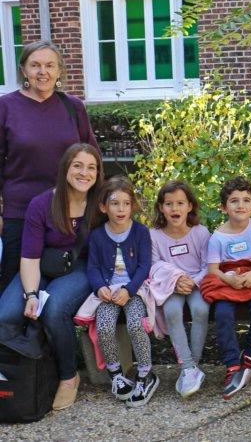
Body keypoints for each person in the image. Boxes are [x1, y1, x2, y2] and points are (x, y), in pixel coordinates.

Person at [0, 143, 103, 410]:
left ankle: (68, 377)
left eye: (91, 167)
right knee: (6, 313)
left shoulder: (101, 203)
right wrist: (31, 294)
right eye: (77, 165)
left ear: (98, 173)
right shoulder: (42, 203)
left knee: (55, 309)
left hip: (82, 267)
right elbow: (30, 257)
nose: (84, 173)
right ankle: (27, 374)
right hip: (42, 265)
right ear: (65, 168)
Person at [0, 41, 99, 290]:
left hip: (68, 213)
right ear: (24, 70)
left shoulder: (73, 106)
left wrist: (100, 202)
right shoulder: (6, 107)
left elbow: (92, 155)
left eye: (49, 65)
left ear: (59, 71)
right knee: (13, 290)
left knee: (57, 288)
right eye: (35, 65)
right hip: (20, 213)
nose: (42, 72)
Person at [201, 176, 251, 400]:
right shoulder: (217, 237)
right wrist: (229, 279)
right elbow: (213, 270)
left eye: (246, 200)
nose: (240, 205)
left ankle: (250, 354)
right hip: (228, 282)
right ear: (224, 207)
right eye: (234, 201)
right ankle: (232, 364)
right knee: (223, 313)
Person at [85, 176, 158, 407]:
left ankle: (146, 374)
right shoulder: (97, 235)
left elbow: (144, 265)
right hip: (108, 291)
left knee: (136, 324)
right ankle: (116, 374)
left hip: (134, 291)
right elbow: (93, 267)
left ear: (132, 206)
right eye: (115, 203)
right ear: (103, 207)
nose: (121, 209)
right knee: (104, 325)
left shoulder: (140, 232)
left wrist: (129, 289)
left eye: (126, 203)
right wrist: (100, 287)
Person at [149, 180, 210, 398]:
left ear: (190, 206)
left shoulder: (200, 233)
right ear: (160, 207)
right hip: (171, 286)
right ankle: (187, 368)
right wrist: (176, 280)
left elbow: (207, 265)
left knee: (201, 310)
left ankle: (194, 365)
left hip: (196, 283)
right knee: (172, 311)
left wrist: (192, 282)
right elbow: (154, 266)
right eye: (169, 204)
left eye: (180, 203)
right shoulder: (154, 236)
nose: (175, 209)